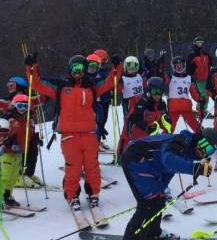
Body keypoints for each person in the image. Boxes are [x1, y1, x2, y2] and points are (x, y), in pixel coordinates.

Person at [26, 53, 118, 228]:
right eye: (75, 69)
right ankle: (72, 197)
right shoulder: (61, 86)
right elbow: (36, 83)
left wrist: (116, 67)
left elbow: (110, 82)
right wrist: (32, 67)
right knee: (73, 168)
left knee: (92, 166)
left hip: (89, 133)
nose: (78, 72)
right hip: (69, 135)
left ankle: (93, 195)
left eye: (81, 69)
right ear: (70, 70)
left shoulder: (91, 86)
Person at [117, 128, 217, 240]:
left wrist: (160, 189)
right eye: (205, 145)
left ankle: (152, 233)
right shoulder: (181, 141)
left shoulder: (188, 152)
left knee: (158, 200)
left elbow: (168, 171)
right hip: (136, 160)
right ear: (199, 138)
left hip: (148, 165)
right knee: (149, 205)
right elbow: (169, 160)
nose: (204, 151)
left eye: (210, 150)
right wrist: (194, 168)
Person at [126, 76, 171, 141]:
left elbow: (162, 120)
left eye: (159, 91)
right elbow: (136, 119)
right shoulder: (142, 103)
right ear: (149, 91)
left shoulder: (162, 104)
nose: (157, 95)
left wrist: (166, 121)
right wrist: (147, 128)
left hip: (152, 134)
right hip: (138, 135)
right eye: (154, 91)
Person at [166, 56, 203, 133]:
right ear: (173, 67)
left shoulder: (189, 78)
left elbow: (194, 92)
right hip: (173, 107)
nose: (179, 67)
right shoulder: (170, 77)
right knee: (169, 127)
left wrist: (200, 99)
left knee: (195, 126)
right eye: (177, 66)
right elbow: (161, 74)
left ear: (184, 65)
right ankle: (164, 142)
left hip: (186, 107)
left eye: (181, 65)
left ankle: (202, 139)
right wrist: (161, 62)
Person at [119, 55, 145, 151]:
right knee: (128, 128)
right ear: (125, 67)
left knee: (140, 126)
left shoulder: (139, 76)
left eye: (134, 67)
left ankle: (138, 146)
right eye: (129, 67)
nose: (131, 69)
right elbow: (117, 88)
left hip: (141, 104)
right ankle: (122, 150)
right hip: (129, 104)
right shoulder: (123, 79)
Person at [187, 37, 212, 117]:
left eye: (201, 42)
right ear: (194, 44)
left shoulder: (206, 54)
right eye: (198, 43)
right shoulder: (192, 56)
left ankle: (202, 109)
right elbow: (188, 68)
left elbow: (210, 64)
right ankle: (201, 110)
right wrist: (194, 73)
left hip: (207, 78)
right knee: (202, 95)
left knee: (207, 95)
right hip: (198, 79)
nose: (200, 44)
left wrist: (210, 72)